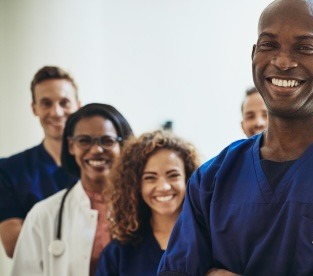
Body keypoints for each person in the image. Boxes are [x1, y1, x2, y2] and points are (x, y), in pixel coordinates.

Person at [158, 0, 313, 275]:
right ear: (254, 54)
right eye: (269, 45)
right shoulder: (213, 180)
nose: (282, 61)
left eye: (304, 48)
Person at [11, 103, 133, 276]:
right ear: (71, 146)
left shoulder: (143, 210)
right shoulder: (44, 215)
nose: (97, 149)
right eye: (84, 141)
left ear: (123, 146)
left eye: (107, 141)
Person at [0, 66, 81, 258]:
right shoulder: (9, 170)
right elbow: (14, 246)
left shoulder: (96, 165)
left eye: (64, 102)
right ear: (34, 108)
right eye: (46, 103)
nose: (56, 112)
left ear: (78, 105)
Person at [96, 131, 200, 276]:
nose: (164, 187)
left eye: (173, 175)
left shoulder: (209, 242)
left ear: (188, 178)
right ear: (135, 186)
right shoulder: (119, 253)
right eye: (150, 178)